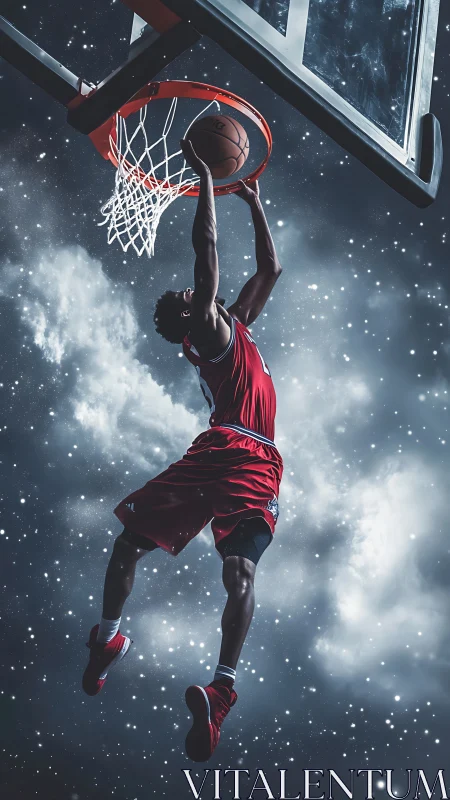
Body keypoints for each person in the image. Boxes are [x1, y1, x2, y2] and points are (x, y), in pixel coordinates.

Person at [82, 139, 283, 762]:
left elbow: (270, 271)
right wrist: (201, 178)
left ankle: (218, 691)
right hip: (228, 450)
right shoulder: (211, 328)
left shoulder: (235, 325)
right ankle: (112, 637)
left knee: (237, 571)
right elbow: (208, 255)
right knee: (130, 541)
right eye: (190, 300)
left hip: (250, 457)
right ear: (191, 319)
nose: (195, 296)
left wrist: (253, 203)